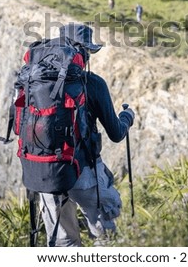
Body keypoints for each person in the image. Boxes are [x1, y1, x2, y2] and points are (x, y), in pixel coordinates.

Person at [38, 23, 135, 247]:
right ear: (81, 52)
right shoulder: (93, 84)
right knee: (105, 236)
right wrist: (127, 116)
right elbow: (117, 133)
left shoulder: (35, 81)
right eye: (88, 51)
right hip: (83, 173)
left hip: (44, 174)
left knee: (64, 243)